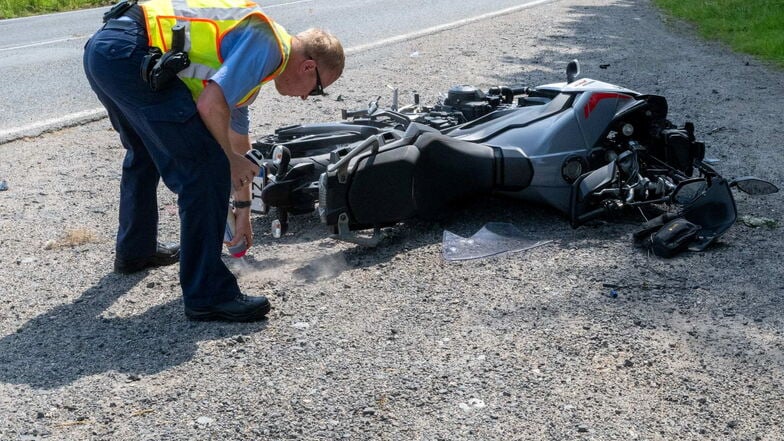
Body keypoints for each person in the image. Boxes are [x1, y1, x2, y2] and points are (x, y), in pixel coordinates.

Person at [83, 0, 344, 322]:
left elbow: (239, 145)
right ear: (308, 68)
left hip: (106, 51)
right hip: (127, 53)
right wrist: (228, 162)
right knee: (206, 171)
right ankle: (208, 295)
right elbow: (211, 106)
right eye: (317, 89)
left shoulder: (258, 57)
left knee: (145, 153)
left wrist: (244, 212)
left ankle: (136, 250)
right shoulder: (268, 48)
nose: (307, 97)